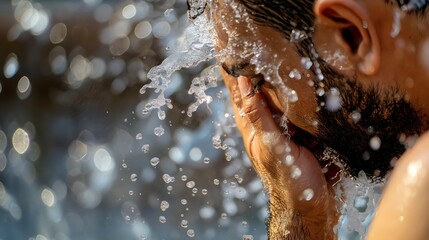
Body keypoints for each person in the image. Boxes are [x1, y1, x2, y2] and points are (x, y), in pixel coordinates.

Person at [188, 0, 429, 239]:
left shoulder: (421, 185)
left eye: (263, 79)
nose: (275, 117)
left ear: (351, 35)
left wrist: (299, 218)